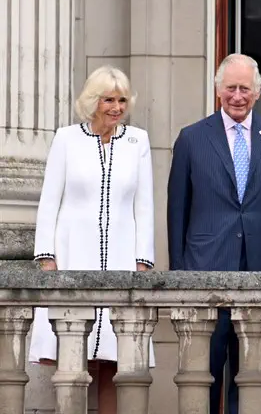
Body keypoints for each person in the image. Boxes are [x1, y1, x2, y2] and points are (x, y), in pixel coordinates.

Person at [167, 53, 261, 414]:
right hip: (204, 273)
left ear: (258, 91)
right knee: (204, 377)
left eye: (244, 88)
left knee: (253, 376)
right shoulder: (191, 138)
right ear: (218, 90)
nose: (237, 96)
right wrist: (178, 273)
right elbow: (177, 211)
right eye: (230, 88)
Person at [30, 65, 155, 414]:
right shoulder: (66, 139)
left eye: (122, 100)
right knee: (73, 357)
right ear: (92, 101)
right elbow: (49, 201)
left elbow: (144, 205)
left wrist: (143, 261)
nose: (116, 107)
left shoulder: (138, 141)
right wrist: (46, 257)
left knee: (116, 360)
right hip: (73, 255)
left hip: (121, 258)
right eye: (108, 100)